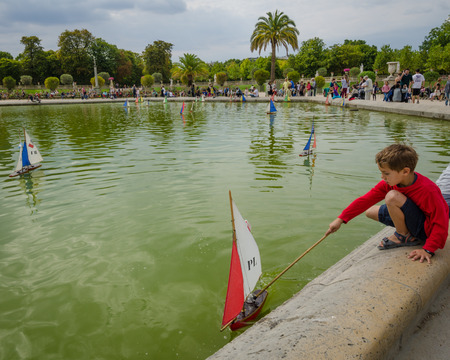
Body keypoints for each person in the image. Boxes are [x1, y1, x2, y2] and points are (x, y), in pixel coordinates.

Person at [326, 144, 448, 264]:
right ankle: (408, 234)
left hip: (425, 230)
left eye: (386, 173)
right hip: (414, 219)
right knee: (370, 211)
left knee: (392, 197)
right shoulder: (390, 183)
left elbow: (441, 221)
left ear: (405, 171)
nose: (382, 177)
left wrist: (428, 249)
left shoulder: (428, 190)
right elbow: (365, 200)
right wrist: (341, 219)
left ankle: (402, 236)